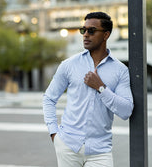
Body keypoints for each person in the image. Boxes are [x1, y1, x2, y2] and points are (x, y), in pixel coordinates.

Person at [43, 12, 134, 167]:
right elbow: (49, 98)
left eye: (91, 31)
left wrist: (101, 88)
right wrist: (54, 134)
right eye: (83, 30)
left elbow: (126, 111)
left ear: (106, 35)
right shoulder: (69, 65)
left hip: (100, 152)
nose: (85, 35)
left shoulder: (120, 70)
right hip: (68, 146)